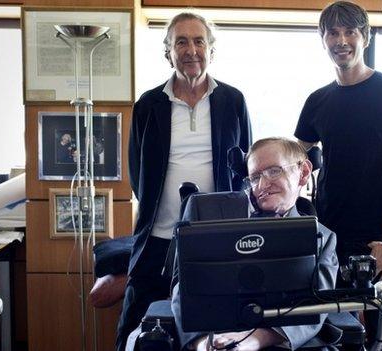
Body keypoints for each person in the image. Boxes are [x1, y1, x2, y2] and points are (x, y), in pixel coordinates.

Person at [294, 2, 382, 350]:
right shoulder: (317, 101)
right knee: (334, 336)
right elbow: (294, 161)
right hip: (329, 240)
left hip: (380, 243)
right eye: (333, 33)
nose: (341, 41)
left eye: (350, 31)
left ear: (365, 36)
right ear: (322, 40)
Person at [117, 12, 252, 350]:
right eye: (181, 42)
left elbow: (245, 168)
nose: (191, 50)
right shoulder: (149, 104)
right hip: (157, 239)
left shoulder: (233, 101)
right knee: (134, 330)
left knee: (211, 334)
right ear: (169, 52)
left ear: (211, 49)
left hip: (215, 242)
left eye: (198, 41)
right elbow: (138, 171)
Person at [171, 137, 338, 351]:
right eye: (255, 176)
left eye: (274, 171)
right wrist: (201, 342)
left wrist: (252, 341)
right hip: (212, 338)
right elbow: (182, 288)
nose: (262, 185)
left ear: (304, 172)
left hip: (276, 342)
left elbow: (317, 306)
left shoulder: (324, 237)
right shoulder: (205, 210)